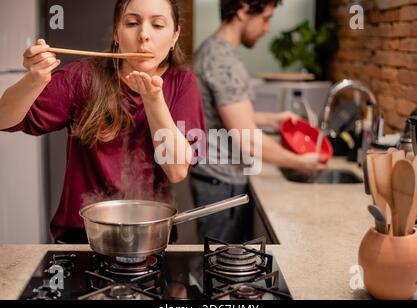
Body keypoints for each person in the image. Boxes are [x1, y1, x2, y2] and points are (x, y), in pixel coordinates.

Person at [0, 0, 206, 244]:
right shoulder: (83, 77)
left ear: (174, 36)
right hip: (82, 236)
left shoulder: (183, 82)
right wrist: (34, 79)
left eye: (158, 25)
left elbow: (177, 170)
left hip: (151, 237)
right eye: (132, 23)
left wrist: (153, 99)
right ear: (117, 33)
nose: (144, 36)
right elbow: (5, 119)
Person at [191, 0, 325, 243]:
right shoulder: (221, 60)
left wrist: (274, 120)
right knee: (219, 266)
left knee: (222, 264)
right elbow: (248, 140)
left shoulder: (218, 50)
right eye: (265, 18)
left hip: (219, 179)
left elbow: (227, 117)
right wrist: (300, 162)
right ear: (243, 10)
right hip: (220, 182)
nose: (267, 28)